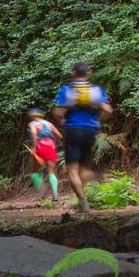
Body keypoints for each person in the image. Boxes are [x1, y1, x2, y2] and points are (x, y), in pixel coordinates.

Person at [52, 61, 112, 213]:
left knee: (72, 169)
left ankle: (83, 201)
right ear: (88, 73)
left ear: (73, 73)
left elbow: (58, 112)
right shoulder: (96, 90)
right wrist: (98, 121)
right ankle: (92, 176)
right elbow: (108, 110)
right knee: (81, 167)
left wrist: (61, 120)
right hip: (91, 131)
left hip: (73, 130)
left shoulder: (67, 90)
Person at [26, 107, 63, 202]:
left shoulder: (33, 123)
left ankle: (41, 190)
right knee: (51, 172)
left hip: (40, 146)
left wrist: (34, 147)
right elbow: (59, 135)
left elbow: (34, 134)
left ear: (32, 117)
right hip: (51, 146)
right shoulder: (49, 124)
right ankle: (55, 195)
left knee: (34, 171)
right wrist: (57, 142)